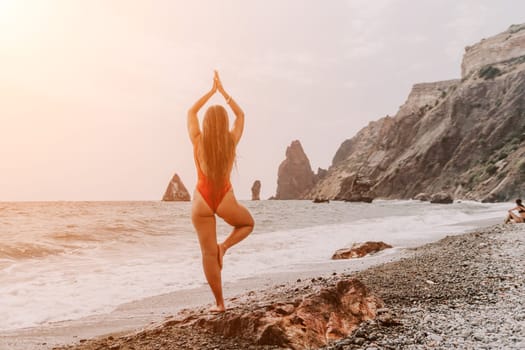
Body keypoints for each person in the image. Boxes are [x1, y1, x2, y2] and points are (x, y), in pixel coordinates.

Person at [187, 70, 254, 312]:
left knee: (207, 253)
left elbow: (191, 112)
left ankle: (220, 303)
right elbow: (241, 114)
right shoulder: (231, 141)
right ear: (224, 123)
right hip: (225, 197)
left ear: (206, 123)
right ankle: (224, 247)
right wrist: (224, 93)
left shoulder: (197, 140)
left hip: (202, 200)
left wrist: (210, 92)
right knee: (247, 224)